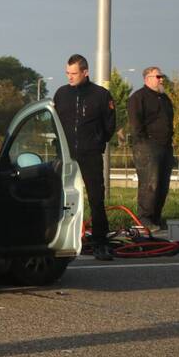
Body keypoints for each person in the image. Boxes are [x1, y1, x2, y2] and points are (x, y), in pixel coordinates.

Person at [53, 54, 117, 261]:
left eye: (73, 73)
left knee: (96, 198)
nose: (69, 77)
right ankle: (59, 237)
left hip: (90, 154)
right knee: (61, 197)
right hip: (66, 154)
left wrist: (97, 142)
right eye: (67, 73)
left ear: (85, 72)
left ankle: (100, 241)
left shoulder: (101, 95)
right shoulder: (61, 94)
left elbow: (109, 126)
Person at [128, 67, 175, 232]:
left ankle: (156, 217)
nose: (161, 79)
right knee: (150, 184)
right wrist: (143, 142)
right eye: (158, 76)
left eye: (162, 76)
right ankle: (144, 218)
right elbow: (135, 123)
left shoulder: (164, 98)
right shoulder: (138, 97)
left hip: (165, 146)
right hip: (148, 147)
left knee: (163, 184)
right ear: (147, 78)